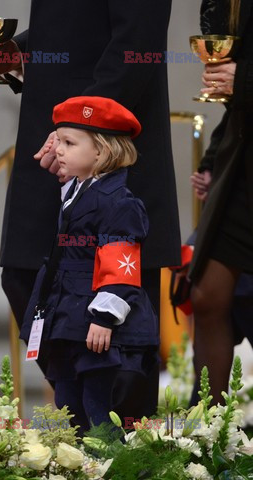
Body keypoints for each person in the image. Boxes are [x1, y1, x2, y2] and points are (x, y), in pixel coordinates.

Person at [0, 0, 181, 416]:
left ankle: (122, 448)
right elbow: (75, 24)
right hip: (55, 134)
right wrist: (22, 53)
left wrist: (83, 128)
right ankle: (81, 424)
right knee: (26, 277)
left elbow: (138, 41)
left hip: (104, 141)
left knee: (117, 299)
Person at [20, 96, 159, 433]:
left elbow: (122, 263)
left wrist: (105, 317)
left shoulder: (118, 203)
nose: (59, 150)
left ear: (100, 152)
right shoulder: (76, 192)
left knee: (100, 409)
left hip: (96, 324)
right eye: (59, 140)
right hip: (68, 316)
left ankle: (105, 464)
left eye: (69, 142)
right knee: (69, 404)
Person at [188, 0, 253, 404]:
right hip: (240, 167)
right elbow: (235, 110)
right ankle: (206, 432)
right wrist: (213, 161)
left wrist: (243, 78)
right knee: (207, 296)